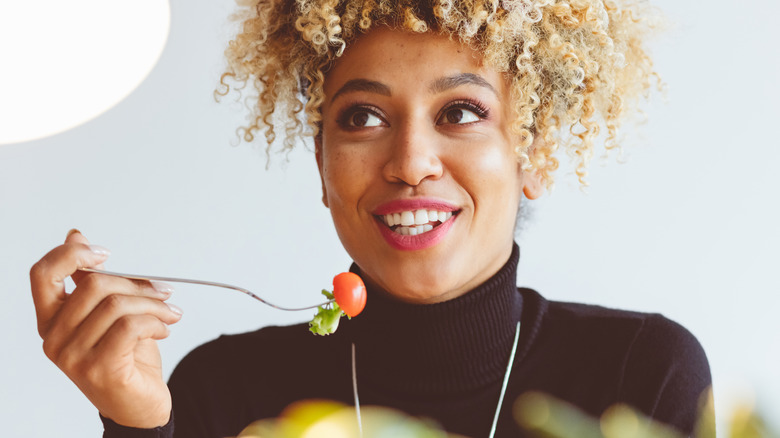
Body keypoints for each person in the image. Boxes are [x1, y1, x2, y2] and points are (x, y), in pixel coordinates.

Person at [30, 1, 714, 437]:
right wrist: (139, 428)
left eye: (461, 114)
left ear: (530, 153)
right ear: (323, 168)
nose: (411, 162)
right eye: (362, 117)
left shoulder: (639, 376)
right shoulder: (223, 393)